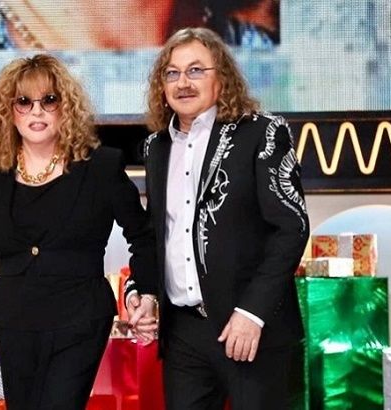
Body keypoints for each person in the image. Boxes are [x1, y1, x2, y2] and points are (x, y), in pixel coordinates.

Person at [0, 54, 157, 410]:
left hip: (80, 319)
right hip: (14, 321)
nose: (37, 112)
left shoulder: (101, 166)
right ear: (8, 110)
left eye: (49, 100)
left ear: (66, 108)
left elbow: (143, 235)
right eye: (24, 102)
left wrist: (146, 292)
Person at [125, 27, 309, 409]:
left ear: (221, 78)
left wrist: (252, 313)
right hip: (184, 335)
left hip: (252, 330)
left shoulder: (262, 133)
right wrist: (144, 293)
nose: (183, 83)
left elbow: (292, 227)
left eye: (195, 70)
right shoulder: (156, 147)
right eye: (172, 73)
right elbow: (159, 234)